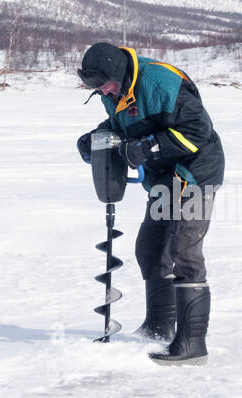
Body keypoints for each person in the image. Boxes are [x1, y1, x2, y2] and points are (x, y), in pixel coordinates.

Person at [76, 42, 225, 365]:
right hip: (163, 180)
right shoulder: (113, 92)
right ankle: (159, 327)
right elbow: (124, 125)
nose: (103, 91)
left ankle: (192, 343)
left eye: (104, 84)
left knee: (185, 250)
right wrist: (96, 137)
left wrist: (148, 149)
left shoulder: (159, 82)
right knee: (151, 248)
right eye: (95, 86)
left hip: (196, 173)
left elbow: (198, 131)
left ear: (118, 72)